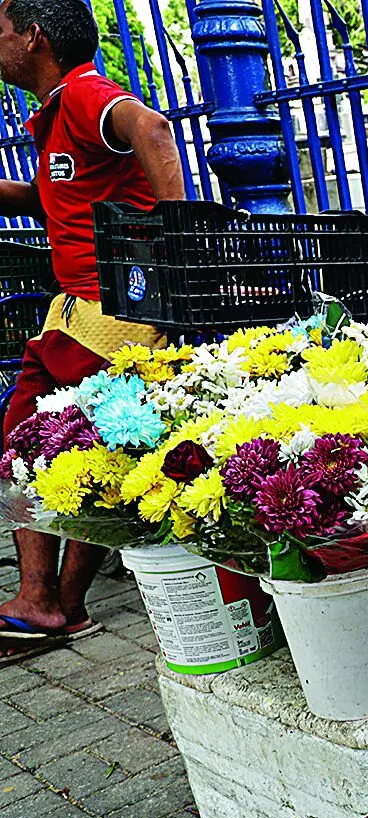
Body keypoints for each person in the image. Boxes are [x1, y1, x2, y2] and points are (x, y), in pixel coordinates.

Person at [0, 0, 184, 660]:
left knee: (76, 453)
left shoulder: (82, 94)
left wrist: (180, 238)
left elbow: (153, 129)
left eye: (2, 32)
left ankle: (54, 603)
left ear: (34, 37)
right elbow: (57, 199)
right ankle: (44, 600)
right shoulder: (56, 117)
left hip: (114, 317)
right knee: (30, 451)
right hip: (75, 314)